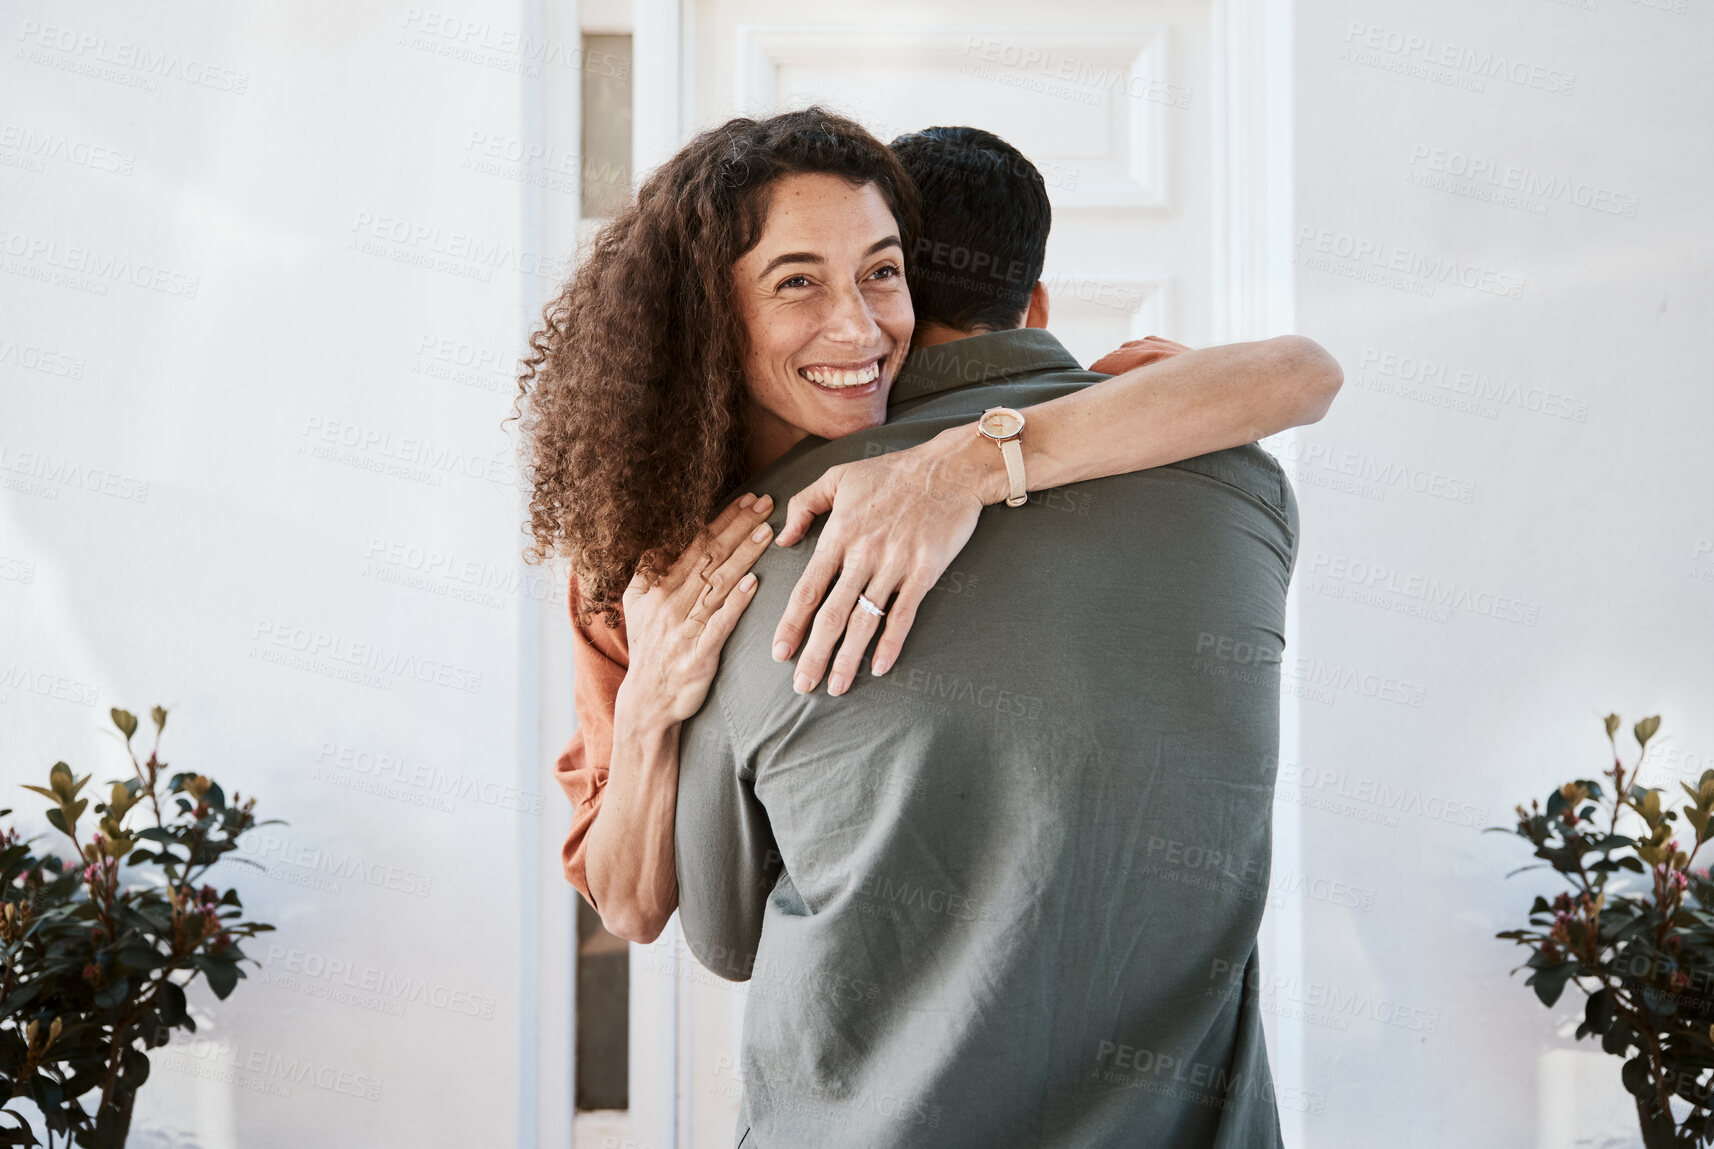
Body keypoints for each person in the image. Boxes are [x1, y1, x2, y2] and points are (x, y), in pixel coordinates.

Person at [514, 107, 1340, 945]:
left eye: (882, 271)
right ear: (708, 314)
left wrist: (963, 466)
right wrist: (652, 700)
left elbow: (1305, 374)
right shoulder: (641, 551)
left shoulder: (1005, 417)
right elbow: (631, 906)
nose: (860, 328)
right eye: (797, 281)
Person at [672, 124, 1303, 1147]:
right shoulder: (1244, 487)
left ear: (893, 303)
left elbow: (717, 929)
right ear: (1037, 303)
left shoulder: (752, 547)